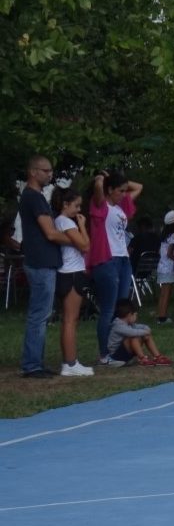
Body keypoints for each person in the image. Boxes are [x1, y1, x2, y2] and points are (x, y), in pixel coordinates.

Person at [89, 171, 142, 362]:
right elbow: (98, 189)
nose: (124, 194)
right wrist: (102, 179)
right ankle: (104, 353)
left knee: (122, 308)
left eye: (124, 190)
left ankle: (118, 348)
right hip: (107, 259)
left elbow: (139, 187)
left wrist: (114, 176)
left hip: (123, 259)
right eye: (120, 190)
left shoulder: (121, 206)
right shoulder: (101, 205)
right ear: (110, 190)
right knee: (108, 308)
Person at [16, 155, 60, 379]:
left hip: (41, 260)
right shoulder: (33, 198)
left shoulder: (34, 197)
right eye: (45, 170)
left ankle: (35, 362)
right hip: (41, 262)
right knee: (39, 314)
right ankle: (32, 364)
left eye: (51, 170)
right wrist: (77, 239)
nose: (50, 174)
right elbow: (50, 232)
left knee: (41, 314)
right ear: (33, 172)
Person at [49, 186, 94, 377]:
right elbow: (85, 245)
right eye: (76, 206)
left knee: (69, 319)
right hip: (71, 273)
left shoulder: (60, 221)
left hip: (68, 272)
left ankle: (69, 361)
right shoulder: (65, 222)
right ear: (65, 204)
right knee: (70, 319)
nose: (79, 210)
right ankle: (70, 363)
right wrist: (82, 225)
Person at [105, 299, 170, 367]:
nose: (136, 317)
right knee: (134, 337)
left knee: (146, 336)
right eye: (135, 315)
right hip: (117, 357)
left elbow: (141, 327)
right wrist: (145, 332)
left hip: (126, 354)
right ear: (129, 315)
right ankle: (142, 358)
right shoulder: (118, 325)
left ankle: (158, 357)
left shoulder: (129, 324)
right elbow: (131, 333)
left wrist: (146, 330)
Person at [152, 211, 174, 324]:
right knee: (167, 293)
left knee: (163, 293)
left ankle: (160, 315)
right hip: (169, 268)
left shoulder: (164, 237)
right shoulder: (173, 236)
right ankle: (163, 316)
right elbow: (170, 254)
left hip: (162, 267)